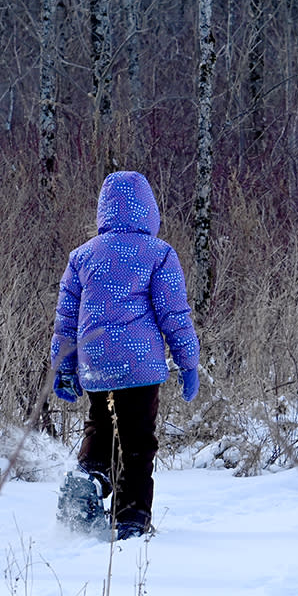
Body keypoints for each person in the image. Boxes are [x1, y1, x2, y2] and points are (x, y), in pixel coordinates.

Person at [50, 170, 201, 539]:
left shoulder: (82, 256)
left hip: (95, 362)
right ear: (148, 211)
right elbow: (173, 315)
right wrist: (188, 362)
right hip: (140, 365)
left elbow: (66, 319)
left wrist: (63, 367)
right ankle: (131, 519)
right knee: (137, 442)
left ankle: (88, 478)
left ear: (104, 211)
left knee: (101, 426)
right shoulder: (158, 254)